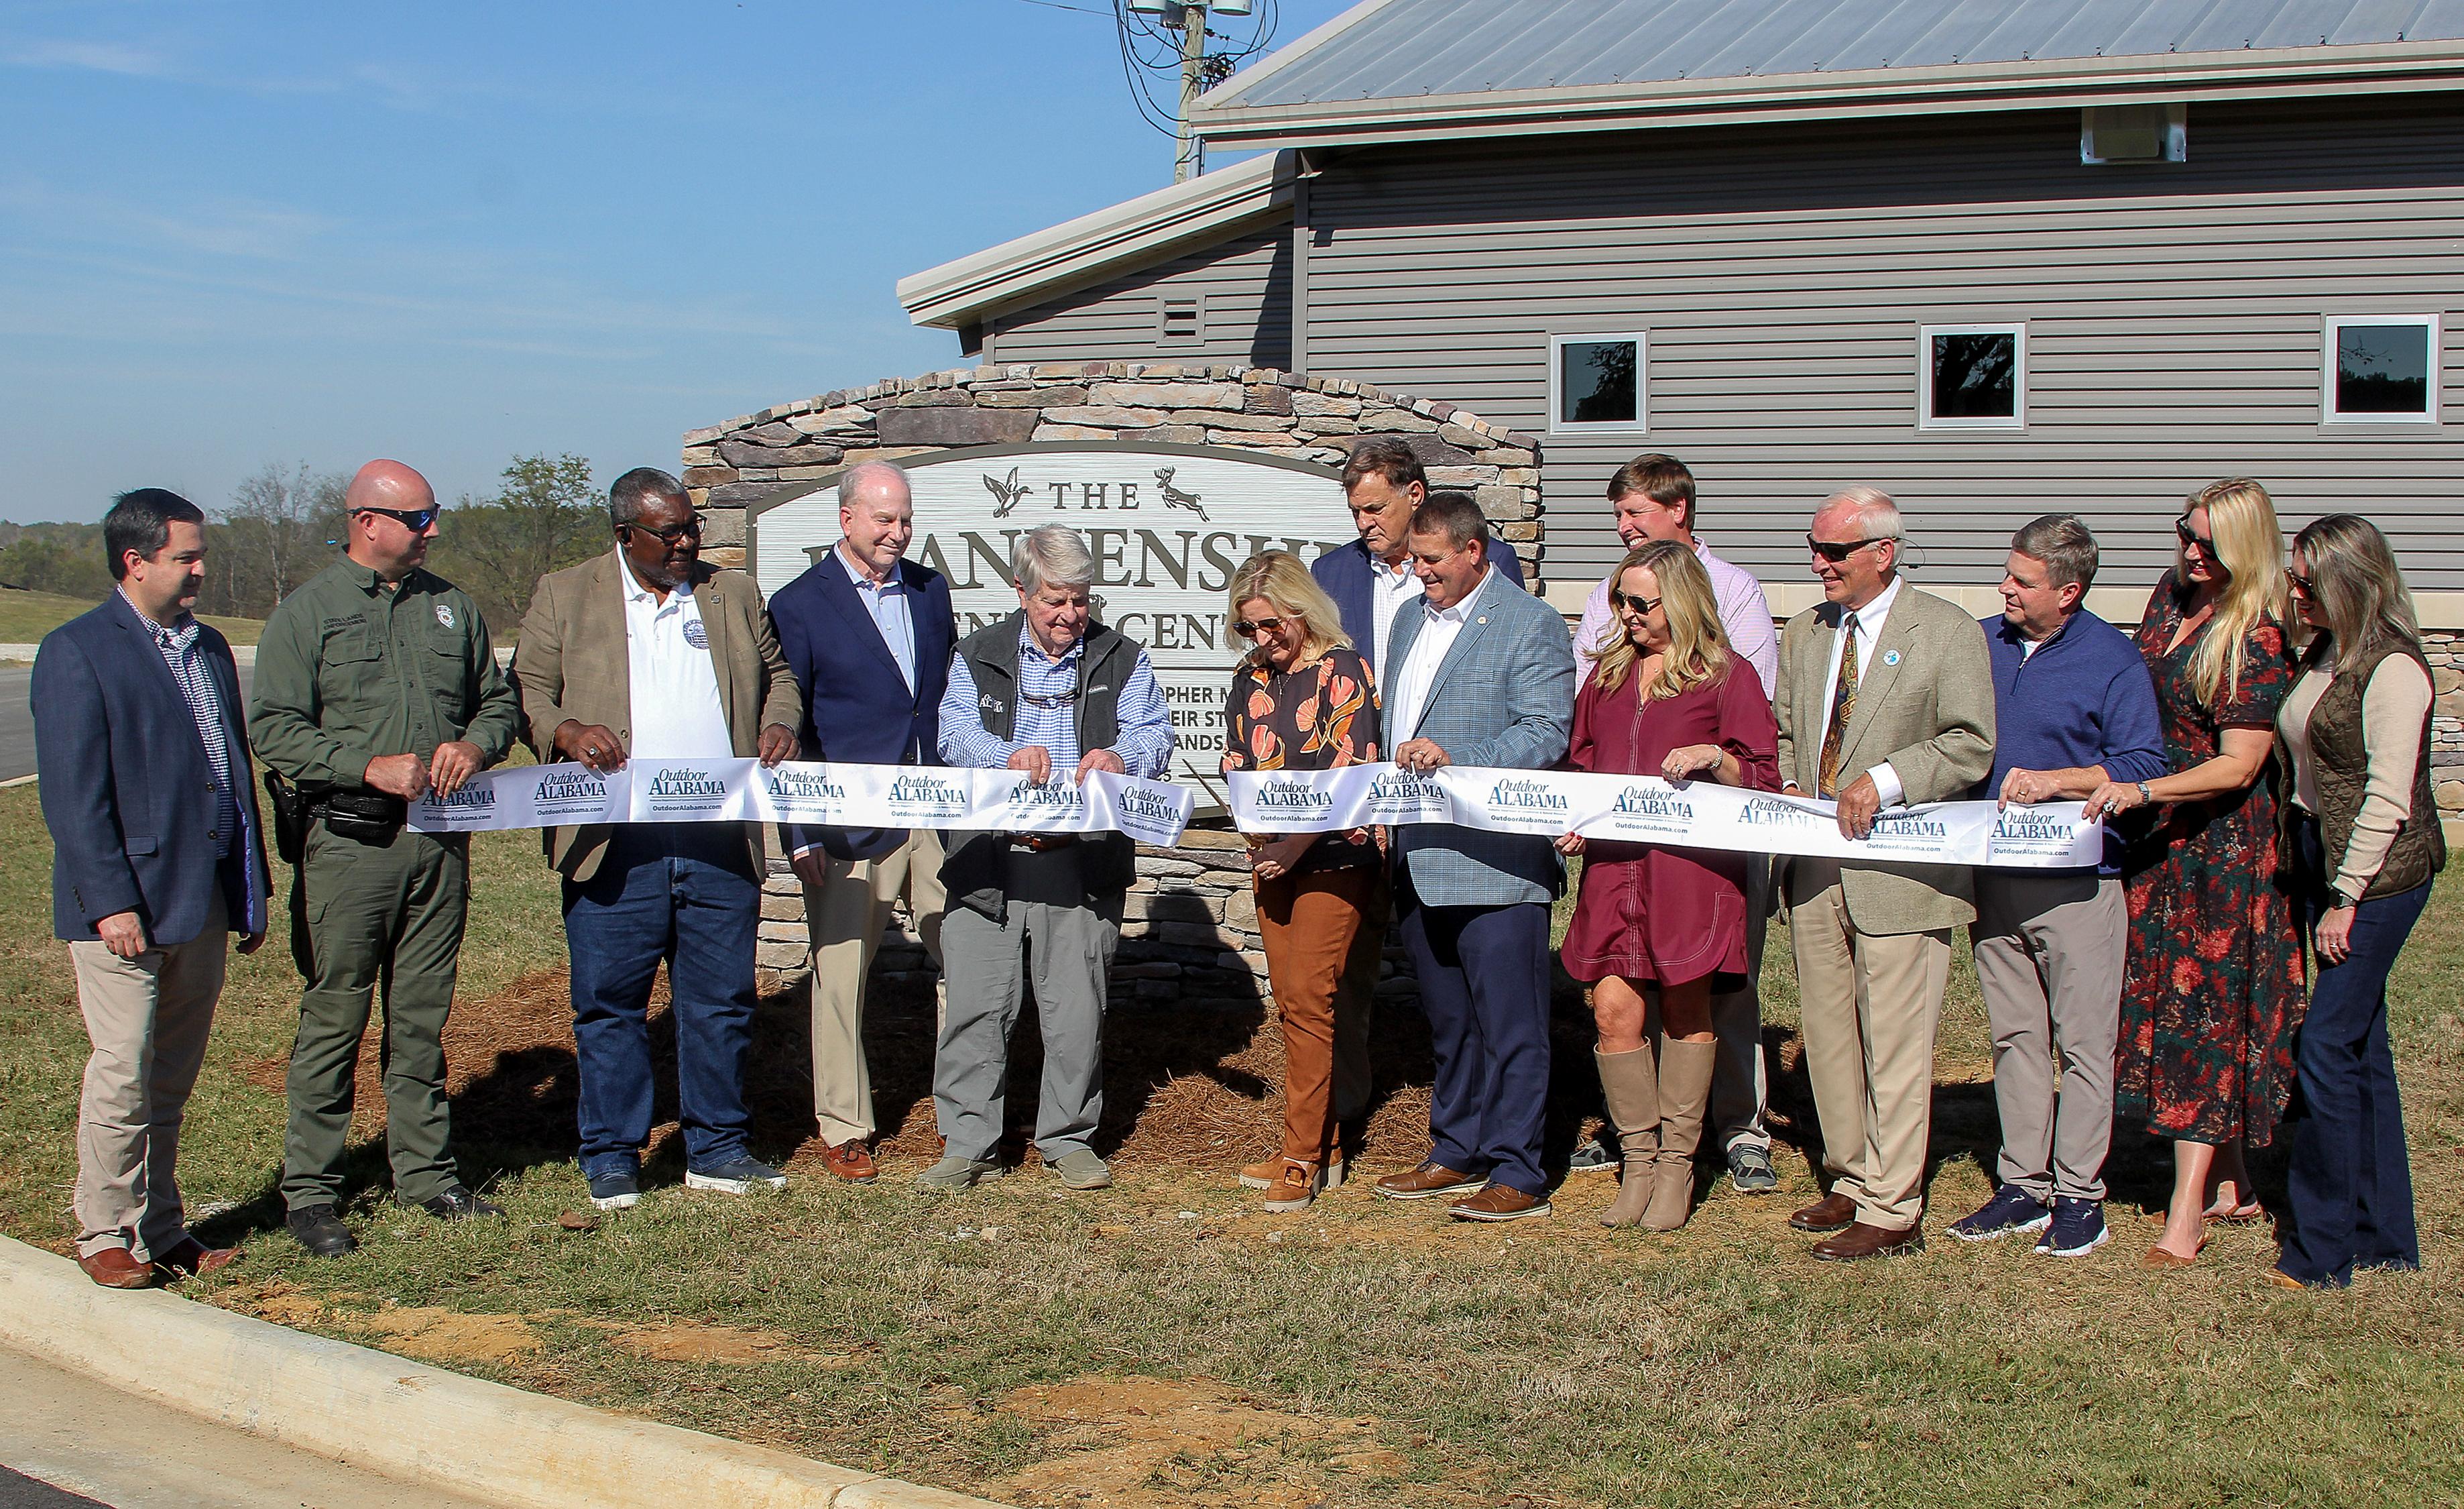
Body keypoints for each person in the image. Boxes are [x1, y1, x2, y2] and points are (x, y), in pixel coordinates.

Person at [512, 467, 803, 1213]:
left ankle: (718, 1146)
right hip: (616, 841)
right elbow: (528, 690)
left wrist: (780, 722)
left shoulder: (730, 593)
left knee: (721, 1001)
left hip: (717, 835)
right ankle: (613, 1154)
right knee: (610, 1004)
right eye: (668, 533)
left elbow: (779, 675)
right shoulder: (565, 593)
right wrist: (565, 730)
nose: (686, 543)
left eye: (690, 528)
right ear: (624, 535)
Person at [251, 461, 522, 1257]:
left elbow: (497, 701)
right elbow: (273, 727)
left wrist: (476, 745)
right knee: (336, 1016)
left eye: (433, 515)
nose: (431, 530)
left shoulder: (452, 608)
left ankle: (427, 1174)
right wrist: (364, 766)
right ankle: (311, 1191)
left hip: (437, 847)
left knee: (421, 1017)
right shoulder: (310, 612)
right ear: (366, 521)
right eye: (417, 517)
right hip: (350, 845)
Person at [34, 490, 269, 1288]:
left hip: (201, 896)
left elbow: (231, 773)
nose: (201, 570)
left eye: (201, 555)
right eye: (185, 557)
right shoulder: (78, 650)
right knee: (124, 1070)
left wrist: (247, 890)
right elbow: (73, 795)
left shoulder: (208, 648)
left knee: (169, 1076)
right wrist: (109, 901)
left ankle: (162, 1228)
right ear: (135, 562)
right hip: (124, 907)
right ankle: (104, 1231)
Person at [2086, 478, 2305, 1268]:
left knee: (2202, 1020)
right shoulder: (2171, 597)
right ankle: (2233, 1181)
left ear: (2245, 549)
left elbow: (2240, 766)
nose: (2190, 550)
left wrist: (2144, 791)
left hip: (2221, 851)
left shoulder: (2259, 631)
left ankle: (2186, 1216)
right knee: (2157, 1002)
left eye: (2209, 543)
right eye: (2185, 532)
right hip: (2156, 841)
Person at [1774, 486, 1995, 1260]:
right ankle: (1851, 1176)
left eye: (1834, 551)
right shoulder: (1805, 632)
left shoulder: (1947, 630)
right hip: (1815, 866)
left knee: (1897, 1045)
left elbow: (1970, 744)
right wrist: (1791, 783)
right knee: (1830, 1035)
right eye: (1814, 548)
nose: (1819, 563)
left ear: (1884, 552)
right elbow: (1788, 731)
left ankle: (1894, 1208)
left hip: (1905, 875)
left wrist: (1887, 779)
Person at [923, 525, 1175, 1193]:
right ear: (1022, 591)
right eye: (1054, 600)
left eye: (1080, 600)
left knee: (1076, 1013)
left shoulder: (1123, 658)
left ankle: (1068, 1138)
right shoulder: (976, 654)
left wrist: (1121, 757)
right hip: (988, 860)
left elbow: (1155, 734)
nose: (1069, 615)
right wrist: (1004, 757)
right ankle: (967, 1144)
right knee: (976, 1008)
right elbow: (953, 733)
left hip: (1081, 861)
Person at [1948, 516, 2165, 1260]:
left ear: (2068, 592)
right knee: (2015, 1038)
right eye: (2007, 573)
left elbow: (2144, 762)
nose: (2005, 588)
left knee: (2083, 1045)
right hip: (1992, 875)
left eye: (2023, 581)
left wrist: (2059, 781)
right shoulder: (1980, 642)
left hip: (2078, 885)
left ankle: (2080, 1198)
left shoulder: (2113, 660)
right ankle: (2021, 1185)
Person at [1566, 453, 1783, 1194]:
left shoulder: (1727, 675)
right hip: (1615, 868)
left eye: (1642, 605)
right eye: (1620, 601)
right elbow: (1580, 763)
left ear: (1681, 603)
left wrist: (1715, 758)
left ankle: (1677, 1166)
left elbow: (1762, 778)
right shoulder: (1606, 678)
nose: (1626, 615)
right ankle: (1638, 1159)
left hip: (1690, 874)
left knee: (1688, 1009)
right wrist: (1572, 818)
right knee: (1612, 1010)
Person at [1307, 437, 1524, 1139]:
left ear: (1415, 495)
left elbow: (1506, 680)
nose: (1363, 522)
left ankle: (1486, 1121)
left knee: (1466, 979)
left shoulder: (1491, 566)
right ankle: (1341, 1112)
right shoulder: (1330, 574)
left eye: (1374, 508)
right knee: (1347, 963)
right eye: (1355, 510)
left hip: (1448, 799)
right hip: (1359, 793)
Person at [1372, 492, 1576, 1223]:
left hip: (1496, 862)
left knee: (1511, 1027)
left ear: (1473, 552)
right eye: (1413, 560)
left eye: (1431, 560)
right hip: (1418, 855)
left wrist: (1458, 758)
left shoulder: (1532, 623)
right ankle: (1457, 1149)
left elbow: (1546, 731)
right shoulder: (1407, 619)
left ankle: (1519, 1169)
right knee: (1451, 1024)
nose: (1419, 572)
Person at [767, 461, 955, 1185]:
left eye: (905, 519)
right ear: (846, 519)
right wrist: (800, 831)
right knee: (841, 980)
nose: (898, 533)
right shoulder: (798, 604)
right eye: (884, 519)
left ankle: (964, 1114)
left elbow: (944, 699)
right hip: (846, 827)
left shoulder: (930, 590)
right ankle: (845, 1127)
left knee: (964, 964)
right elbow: (788, 726)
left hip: (934, 816)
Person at [2266, 516, 2442, 1288]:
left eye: (2306, 581)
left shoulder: (2394, 668)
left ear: (2349, 582)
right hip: (2321, 858)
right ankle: (2384, 1237)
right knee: (2362, 1048)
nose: (2295, 592)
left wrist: (2346, 897)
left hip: (2376, 876)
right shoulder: (2325, 648)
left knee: (2328, 1047)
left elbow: (2389, 798)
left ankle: (2321, 1252)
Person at [1221, 551, 1385, 1211]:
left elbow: (1353, 771)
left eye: (1271, 624)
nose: (1262, 638)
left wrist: (1294, 845)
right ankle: (1323, 1141)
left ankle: (1301, 1156)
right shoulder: (1250, 675)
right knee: (1290, 1003)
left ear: (1302, 610)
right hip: (1272, 857)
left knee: (1310, 997)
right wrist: (1258, 833)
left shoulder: (1343, 670)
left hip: (1335, 857)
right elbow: (1237, 759)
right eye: (1249, 627)